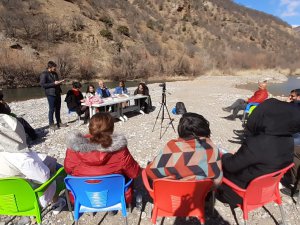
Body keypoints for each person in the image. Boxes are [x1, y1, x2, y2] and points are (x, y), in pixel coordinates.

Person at [220, 98, 300, 205]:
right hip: (267, 190)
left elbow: (230, 166)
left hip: (243, 193)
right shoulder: (288, 139)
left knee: (216, 162)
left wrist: (224, 155)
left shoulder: (258, 142)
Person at [64, 112, 141, 203]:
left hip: (84, 197)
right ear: (111, 130)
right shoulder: (120, 150)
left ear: (90, 128)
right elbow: (134, 173)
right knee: (128, 176)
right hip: (115, 197)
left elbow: (68, 170)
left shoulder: (74, 149)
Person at [0, 114, 64, 209]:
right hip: (29, 202)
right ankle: (57, 202)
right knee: (59, 170)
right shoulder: (22, 159)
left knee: (47, 162)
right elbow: (44, 177)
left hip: (6, 202)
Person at [145, 112, 222, 186]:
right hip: (199, 196)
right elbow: (217, 181)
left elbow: (149, 172)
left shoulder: (172, 148)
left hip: (169, 195)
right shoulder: (213, 150)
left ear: (181, 131)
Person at [40, 61, 67, 130]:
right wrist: (53, 83)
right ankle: (51, 124)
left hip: (58, 93)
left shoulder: (55, 73)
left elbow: (56, 83)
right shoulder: (44, 74)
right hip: (50, 94)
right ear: (50, 67)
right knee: (51, 109)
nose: (55, 69)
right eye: (54, 67)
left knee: (58, 109)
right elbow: (42, 85)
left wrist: (60, 82)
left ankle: (59, 122)